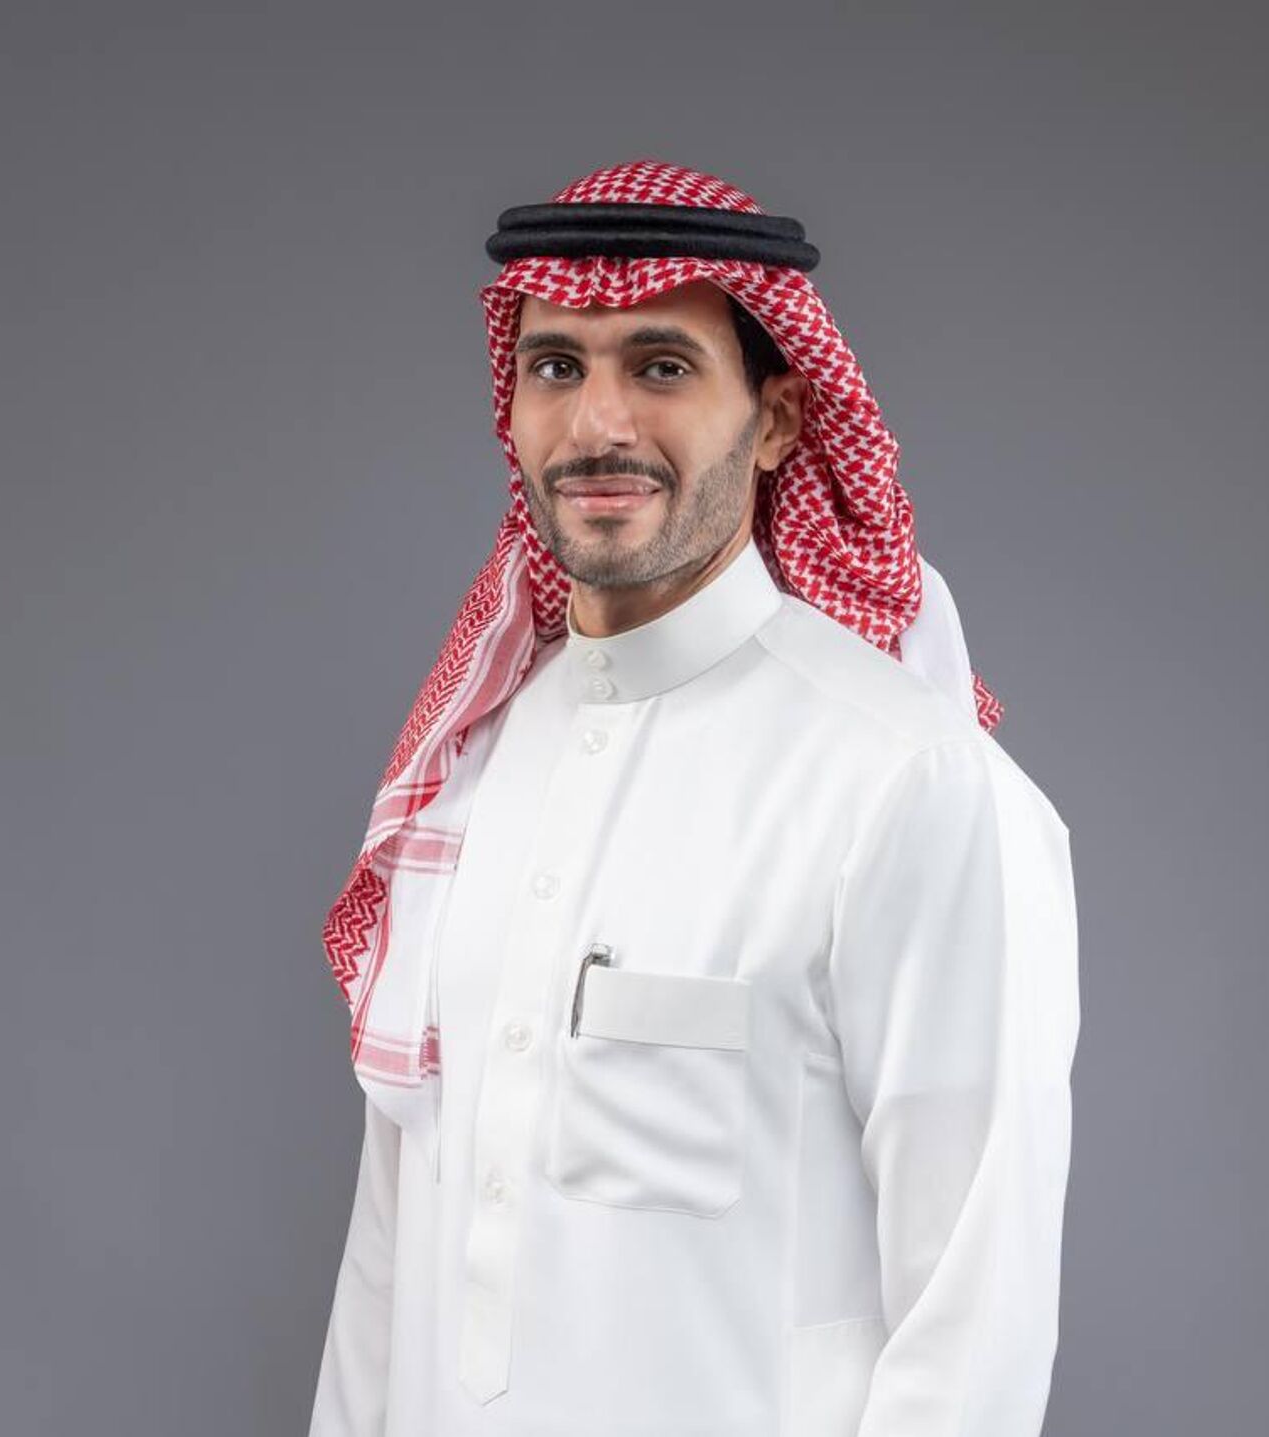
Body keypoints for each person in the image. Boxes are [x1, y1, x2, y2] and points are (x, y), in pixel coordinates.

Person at [307, 158, 1079, 1437]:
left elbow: (974, 1330)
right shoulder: (472, 760)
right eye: (557, 366)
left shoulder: (906, 783)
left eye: (661, 366)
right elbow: (391, 1250)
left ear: (777, 420)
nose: (597, 425)